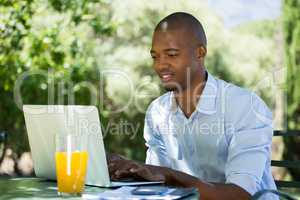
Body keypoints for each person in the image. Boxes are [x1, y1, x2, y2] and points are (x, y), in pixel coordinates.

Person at [107, 12, 278, 200]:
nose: (160, 65)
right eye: (155, 56)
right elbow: (157, 184)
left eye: (171, 54)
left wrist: (169, 174)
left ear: (200, 53)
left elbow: (240, 195)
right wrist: (132, 170)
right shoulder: (157, 112)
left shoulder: (245, 107)